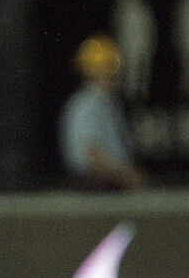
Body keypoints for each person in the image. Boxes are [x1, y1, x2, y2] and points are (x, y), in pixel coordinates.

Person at [59, 34, 146, 190]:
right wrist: (124, 175)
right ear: (92, 71)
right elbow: (92, 154)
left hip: (109, 181)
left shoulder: (108, 101)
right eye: (106, 69)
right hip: (95, 183)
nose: (113, 75)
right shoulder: (88, 103)